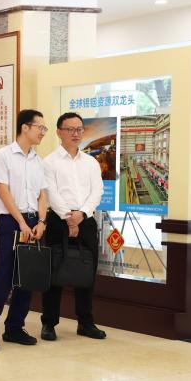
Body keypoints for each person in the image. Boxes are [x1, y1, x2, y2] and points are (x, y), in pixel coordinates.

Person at [0, 109, 49, 350]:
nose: (43, 132)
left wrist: (41, 221)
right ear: (25, 127)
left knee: (27, 276)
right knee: (4, 277)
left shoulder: (38, 160)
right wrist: (21, 222)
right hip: (10, 221)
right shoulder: (4, 155)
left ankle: (15, 328)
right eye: (40, 127)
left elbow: (43, 194)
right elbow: (3, 191)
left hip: (33, 221)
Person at [41, 112, 107, 341]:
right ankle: (49, 323)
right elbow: (50, 193)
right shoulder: (49, 162)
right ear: (59, 132)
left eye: (79, 129)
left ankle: (85, 322)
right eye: (70, 129)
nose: (76, 133)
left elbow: (97, 191)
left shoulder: (90, 162)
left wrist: (82, 214)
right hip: (58, 221)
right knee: (54, 273)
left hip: (86, 221)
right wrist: (68, 217)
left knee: (87, 271)